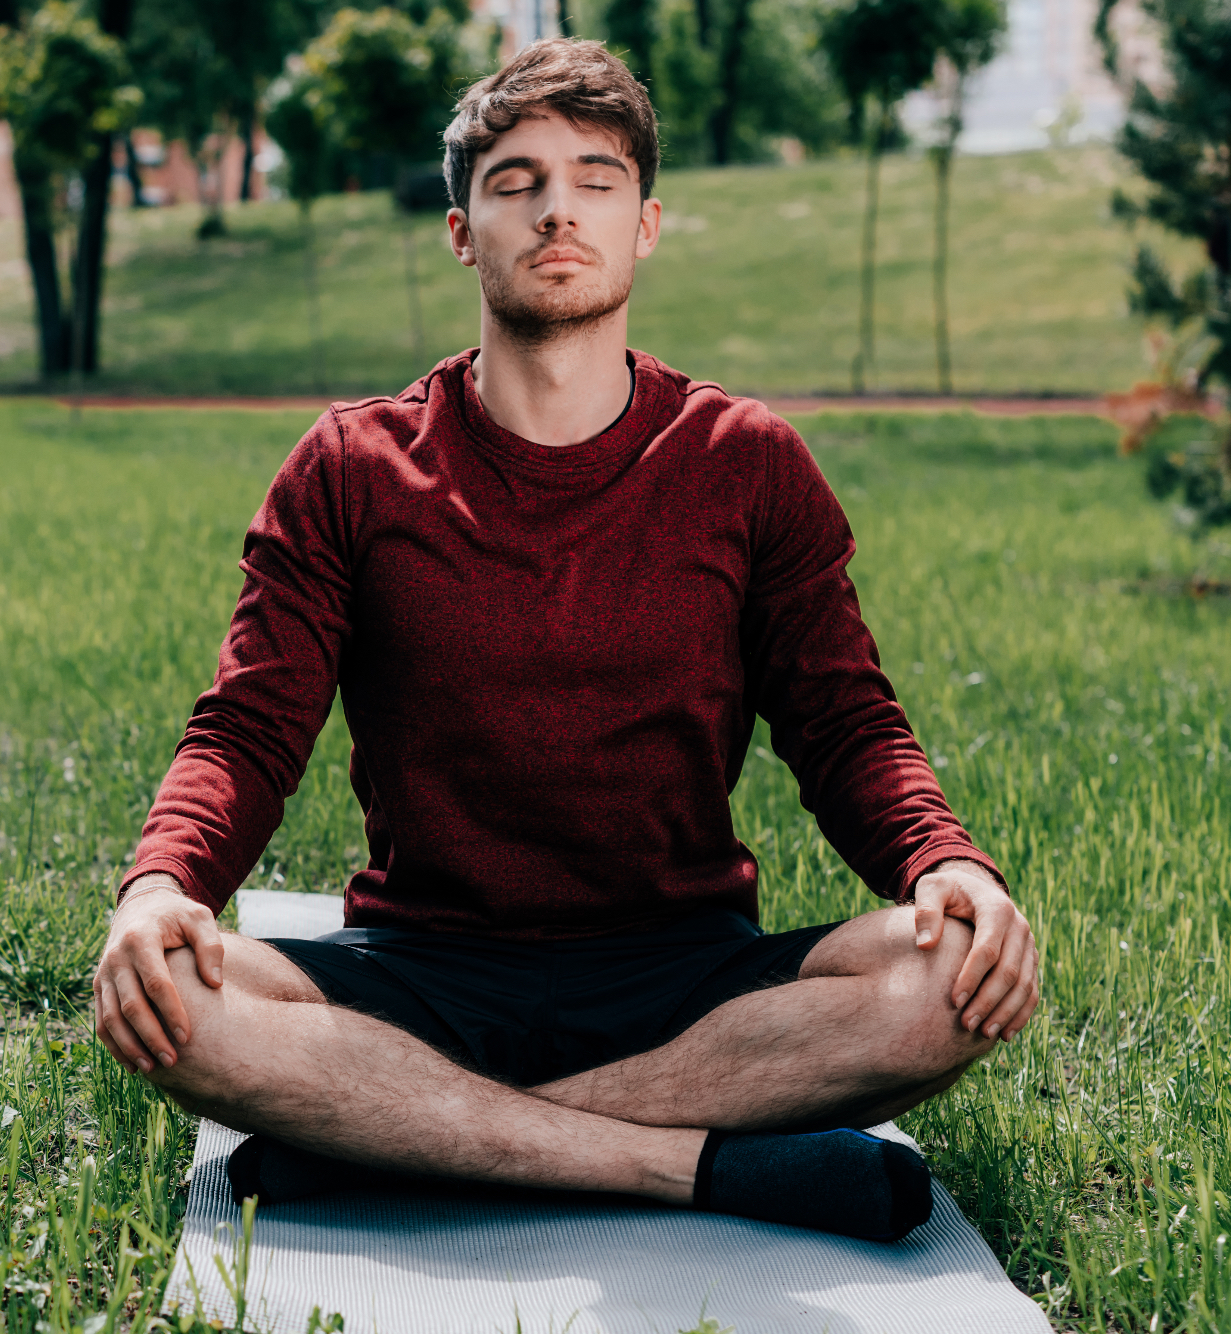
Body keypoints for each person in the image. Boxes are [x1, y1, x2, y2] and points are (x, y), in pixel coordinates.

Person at [91, 37, 1039, 1243]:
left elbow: (845, 722)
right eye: (514, 180)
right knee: (171, 988)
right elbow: (245, 725)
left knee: (945, 977)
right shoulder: (347, 467)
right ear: (458, 229)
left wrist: (944, 864)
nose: (555, 209)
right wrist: (161, 883)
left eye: (594, 178)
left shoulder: (746, 462)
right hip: (419, 967)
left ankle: (409, 1140)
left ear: (644, 224)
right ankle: (680, 1166)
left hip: (688, 977)